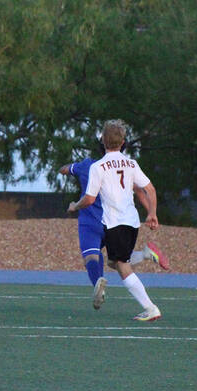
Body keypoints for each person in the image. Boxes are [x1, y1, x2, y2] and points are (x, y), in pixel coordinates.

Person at [67, 120, 163, 322]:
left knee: (121, 266)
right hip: (132, 221)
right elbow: (150, 189)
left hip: (115, 223)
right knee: (113, 261)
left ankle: (150, 307)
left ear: (102, 140)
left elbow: (90, 199)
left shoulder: (98, 166)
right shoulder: (131, 163)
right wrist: (152, 213)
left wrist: (75, 205)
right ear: (123, 142)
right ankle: (146, 254)